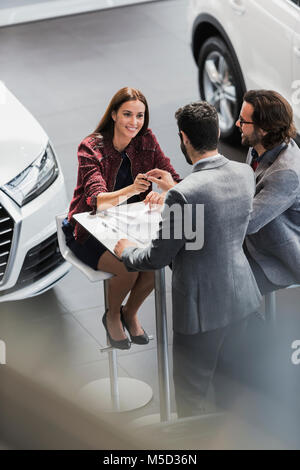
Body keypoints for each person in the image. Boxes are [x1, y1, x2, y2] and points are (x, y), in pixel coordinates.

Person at [114, 101, 262, 417]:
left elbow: (157, 257)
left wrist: (125, 250)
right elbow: (210, 219)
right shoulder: (243, 173)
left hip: (201, 312)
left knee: (192, 401)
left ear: (184, 138)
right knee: (233, 394)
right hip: (243, 300)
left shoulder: (185, 195)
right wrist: (175, 191)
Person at [64, 87, 181, 350]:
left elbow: (173, 178)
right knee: (129, 266)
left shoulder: (147, 139)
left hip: (132, 226)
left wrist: (166, 192)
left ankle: (131, 312)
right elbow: (95, 199)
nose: (134, 122)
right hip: (88, 230)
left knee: (155, 265)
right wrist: (133, 190)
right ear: (114, 114)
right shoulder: (91, 147)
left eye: (140, 116)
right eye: (128, 114)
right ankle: (113, 314)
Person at [236, 90, 300, 295]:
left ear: (263, 129)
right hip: (255, 238)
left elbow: (248, 222)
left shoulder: (285, 172)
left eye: (243, 121)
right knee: (192, 256)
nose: (237, 124)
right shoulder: (259, 145)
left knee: (216, 279)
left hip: (276, 258)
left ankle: (247, 323)